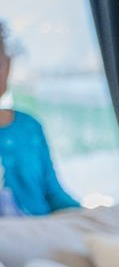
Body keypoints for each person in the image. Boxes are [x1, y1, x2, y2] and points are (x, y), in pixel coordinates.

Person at [0, 20, 82, 217]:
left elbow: (54, 194)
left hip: (43, 235)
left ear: (8, 64)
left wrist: (87, 217)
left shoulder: (28, 126)